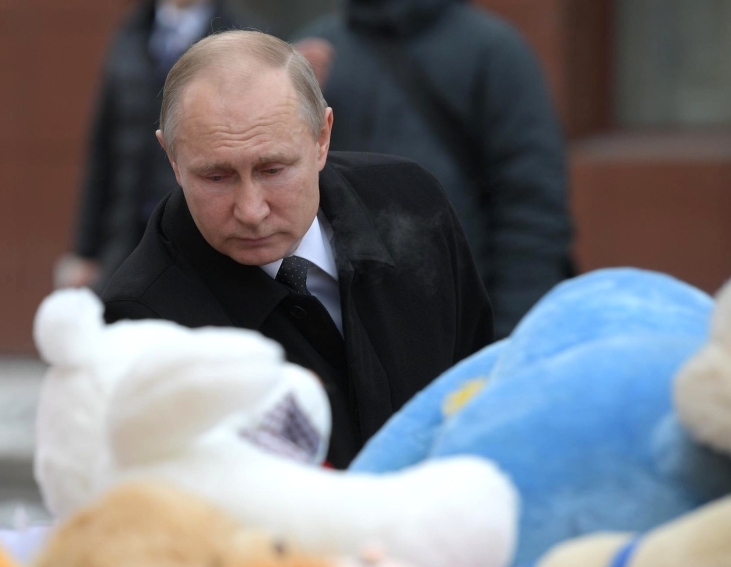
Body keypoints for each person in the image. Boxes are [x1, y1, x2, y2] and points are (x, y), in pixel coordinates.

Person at [101, 30, 493, 468]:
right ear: (172, 159)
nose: (251, 210)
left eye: (273, 169)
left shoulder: (412, 204)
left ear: (322, 137)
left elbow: (482, 397)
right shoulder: (142, 322)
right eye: (217, 177)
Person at [295, 0, 573, 338]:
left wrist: (510, 338)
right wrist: (290, 100)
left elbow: (532, 207)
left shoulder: (493, 49)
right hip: (351, 328)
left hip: (465, 317)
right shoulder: (314, 50)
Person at [57, 0, 260, 292]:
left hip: (203, 237)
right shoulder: (131, 34)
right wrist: (85, 251)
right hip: (127, 236)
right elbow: (103, 151)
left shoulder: (242, 37)